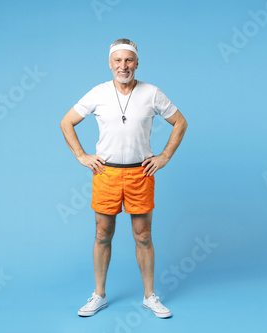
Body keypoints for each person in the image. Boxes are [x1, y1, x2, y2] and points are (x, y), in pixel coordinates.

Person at [60, 38, 187, 318]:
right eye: (118, 60)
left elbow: (180, 122)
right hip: (106, 172)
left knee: (143, 236)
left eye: (128, 60)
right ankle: (99, 295)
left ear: (137, 63)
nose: (123, 66)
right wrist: (82, 156)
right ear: (110, 63)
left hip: (140, 173)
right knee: (102, 234)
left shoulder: (152, 93)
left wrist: (164, 157)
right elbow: (66, 122)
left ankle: (150, 297)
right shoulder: (98, 93)